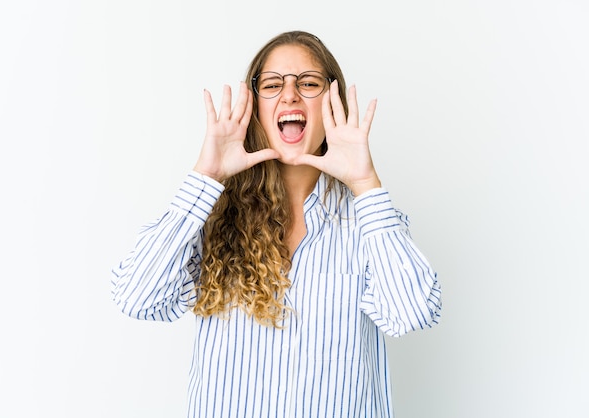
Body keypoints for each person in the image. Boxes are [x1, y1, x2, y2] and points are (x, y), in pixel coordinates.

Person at [111, 30, 442, 418]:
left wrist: (366, 184)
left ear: (331, 103)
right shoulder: (212, 216)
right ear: (254, 107)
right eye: (272, 84)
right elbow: (136, 297)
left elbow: (412, 312)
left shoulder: (366, 221)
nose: (289, 95)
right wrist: (206, 176)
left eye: (308, 83)